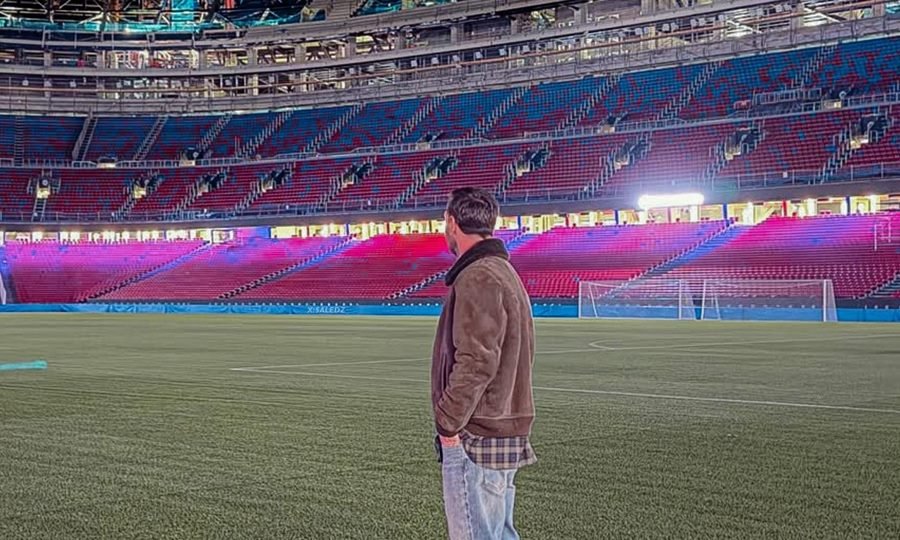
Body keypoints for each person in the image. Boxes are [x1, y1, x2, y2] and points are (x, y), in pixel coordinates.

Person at [431, 187, 536, 540]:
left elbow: (476, 360)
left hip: (477, 433)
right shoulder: (503, 271)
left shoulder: (478, 275)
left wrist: (448, 424)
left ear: (452, 222)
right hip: (503, 424)